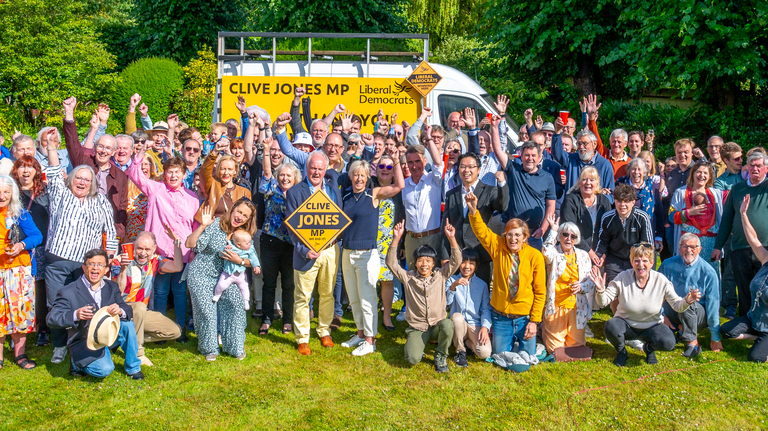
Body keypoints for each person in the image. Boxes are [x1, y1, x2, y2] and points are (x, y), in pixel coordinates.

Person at [43, 128, 118, 365]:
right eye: (78, 178)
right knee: (55, 304)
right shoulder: (60, 194)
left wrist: (109, 256)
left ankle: (83, 342)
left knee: (84, 304)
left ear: (93, 183)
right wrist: (52, 147)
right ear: (71, 179)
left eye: (87, 179)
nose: (82, 182)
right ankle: (58, 346)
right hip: (57, 260)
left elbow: (111, 232)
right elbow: (54, 172)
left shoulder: (100, 202)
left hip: (86, 265)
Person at [127, 149, 199, 342]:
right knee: (159, 291)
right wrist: (140, 154)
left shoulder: (192, 198)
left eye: (177, 172)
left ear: (184, 174)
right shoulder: (155, 189)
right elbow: (135, 175)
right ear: (164, 174)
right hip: (158, 253)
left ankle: (180, 329)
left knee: (180, 292)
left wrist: (193, 251)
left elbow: (195, 226)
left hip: (182, 253)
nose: (173, 175)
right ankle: (157, 330)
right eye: (169, 171)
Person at [590, 243, 701, 366]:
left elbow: (677, 305)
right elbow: (603, 301)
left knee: (669, 342)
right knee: (610, 326)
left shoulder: (661, 280)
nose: (641, 265)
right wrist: (600, 289)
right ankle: (621, 352)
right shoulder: (622, 277)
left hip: (652, 326)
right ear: (632, 262)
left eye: (645, 261)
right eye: (636, 261)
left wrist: (687, 301)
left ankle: (648, 349)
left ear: (652, 263)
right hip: (626, 324)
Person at [466, 192, 546, 356]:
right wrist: (474, 210)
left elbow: (540, 291)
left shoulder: (535, 256)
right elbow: (482, 231)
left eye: (517, 235)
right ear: (505, 235)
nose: (513, 238)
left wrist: (534, 321)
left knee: (527, 356)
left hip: (524, 317)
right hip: (501, 317)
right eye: (509, 234)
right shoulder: (498, 247)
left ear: (525, 237)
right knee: (500, 355)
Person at [339, 158, 403, 356]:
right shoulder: (347, 195)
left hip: (368, 253)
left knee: (367, 298)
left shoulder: (373, 194)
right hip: (348, 251)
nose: (359, 178)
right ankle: (360, 333)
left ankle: (370, 339)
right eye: (355, 174)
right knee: (354, 297)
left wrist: (397, 161)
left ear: (368, 177)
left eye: (362, 175)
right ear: (350, 177)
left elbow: (399, 185)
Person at [47, 249, 143, 379]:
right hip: (84, 340)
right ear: (84, 268)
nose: (95, 268)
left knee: (127, 325)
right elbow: (52, 318)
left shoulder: (112, 287)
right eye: (91, 264)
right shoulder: (68, 291)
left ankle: (133, 368)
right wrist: (75, 314)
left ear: (106, 269)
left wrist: (120, 310)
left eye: (100, 265)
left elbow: (127, 310)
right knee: (104, 370)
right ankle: (76, 363)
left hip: (107, 334)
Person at [285, 151, 342, 356]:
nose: (316, 172)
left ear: (325, 169)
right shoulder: (294, 192)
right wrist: (303, 250)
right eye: (313, 168)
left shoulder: (333, 188)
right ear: (306, 168)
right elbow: (292, 228)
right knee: (302, 296)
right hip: (306, 252)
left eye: (320, 168)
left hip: (330, 250)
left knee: (327, 293)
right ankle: (302, 338)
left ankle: (324, 330)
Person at [185, 199, 257, 361]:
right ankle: (209, 348)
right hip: (202, 274)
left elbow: (253, 260)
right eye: (239, 212)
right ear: (232, 210)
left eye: (245, 216)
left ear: (248, 220)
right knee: (207, 312)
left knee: (236, 304)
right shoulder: (216, 224)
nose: (240, 217)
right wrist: (203, 225)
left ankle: (235, 347)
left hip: (226, 276)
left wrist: (240, 261)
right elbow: (190, 244)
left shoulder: (244, 235)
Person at [387, 220, 462, 372]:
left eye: (428, 260)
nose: (424, 264)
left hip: (437, 325)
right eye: (420, 260)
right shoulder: (408, 278)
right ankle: (418, 344)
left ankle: (440, 355)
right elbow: (391, 263)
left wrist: (452, 238)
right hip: (417, 327)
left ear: (433, 263)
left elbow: (456, 261)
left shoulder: (441, 275)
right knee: (412, 359)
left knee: (448, 325)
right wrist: (396, 238)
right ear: (415, 263)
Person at [62, 97, 128, 241]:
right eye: (101, 146)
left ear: (113, 152)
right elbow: (72, 143)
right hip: (79, 226)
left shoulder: (120, 176)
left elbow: (121, 207)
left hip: (106, 231)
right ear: (95, 147)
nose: (103, 151)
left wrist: (118, 234)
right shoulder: (84, 163)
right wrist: (69, 113)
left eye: (108, 148)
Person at [713, 151, 768, 318]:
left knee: (763, 288)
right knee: (744, 287)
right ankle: (746, 322)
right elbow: (727, 220)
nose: (755, 168)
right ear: (747, 167)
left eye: (759, 165)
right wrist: (718, 246)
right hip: (739, 247)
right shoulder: (737, 190)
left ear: (766, 168)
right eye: (752, 165)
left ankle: (764, 324)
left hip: (764, 248)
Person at [115, 231, 183, 366]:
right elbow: (117, 291)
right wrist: (122, 269)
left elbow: (177, 267)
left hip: (141, 313)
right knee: (139, 306)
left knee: (175, 331)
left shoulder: (155, 261)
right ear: (134, 246)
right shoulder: (121, 260)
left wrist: (177, 243)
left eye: (147, 249)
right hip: (119, 310)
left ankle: (122, 339)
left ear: (153, 249)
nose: (143, 253)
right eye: (140, 248)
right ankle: (138, 353)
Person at [442, 151, 508, 284]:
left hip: (481, 255)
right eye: (462, 166)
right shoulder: (451, 194)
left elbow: (502, 206)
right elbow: (445, 224)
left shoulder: (489, 191)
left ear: (478, 170)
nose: (466, 170)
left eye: (471, 167)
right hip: (457, 256)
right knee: (456, 295)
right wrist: (444, 255)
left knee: (480, 297)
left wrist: (502, 184)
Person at [491, 117, 556, 251]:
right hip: (512, 233)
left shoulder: (547, 177)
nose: (530, 158)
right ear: (521, 156)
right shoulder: (513, 169)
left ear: (539, 157)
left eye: (533, 155)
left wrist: (543, 229)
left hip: (534, 234)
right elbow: (498, 151)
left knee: (532, 270)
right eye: (526, 155)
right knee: (511, 269)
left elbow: (551, 206)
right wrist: (494, 127)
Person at [0, 175, 43, 370]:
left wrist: (22, 244)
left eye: (6, 192)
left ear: (12, 194)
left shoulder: (20, 214)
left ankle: (20, 354)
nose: (2, 196)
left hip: (19, 270)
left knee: (21, 312)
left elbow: (37, 236)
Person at [258, 140, 301, 335]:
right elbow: (267, 173)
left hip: (291, 244)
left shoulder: (300, 194)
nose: (285, 178)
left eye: (288, 175)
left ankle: (288, 320)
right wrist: (266, 151)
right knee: (269, 281)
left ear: (295, 178)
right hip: (270, 241)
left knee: (289, 284)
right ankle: (267, 318)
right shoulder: (271, 189)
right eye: (282, 175)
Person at [721, 195, 768, 362]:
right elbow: (753, 239)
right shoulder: (765, 259)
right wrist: (743, 214)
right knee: (727, 331)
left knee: (756, 357)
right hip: (755, 320)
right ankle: (758, 336)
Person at [658, 233, 721, 358]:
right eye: (684, 246)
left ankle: (692, 342)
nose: (688, 250)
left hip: (698, 314)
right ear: (679, 247)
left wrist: (715, 337)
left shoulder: (708, 272)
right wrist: (661, 314)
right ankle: (678, 328)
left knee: (688, 302)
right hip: (672, 310)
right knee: (662, 341)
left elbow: (713, 304)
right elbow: (656, 292)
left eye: (693, 247)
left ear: (699, 249)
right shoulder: (667, 264)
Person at [10, 157, 50, 347]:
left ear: (37, 171)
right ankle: (15, 329)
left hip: (40, 247)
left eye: (30, 168)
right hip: (16, 249)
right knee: (17, 290)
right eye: (21, 167)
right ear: (15, 171)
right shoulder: (9, 192)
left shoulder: (45, 192)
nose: (26, 171)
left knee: (40, 289)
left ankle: (42, 328)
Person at [540, 214, 594, 353]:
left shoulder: (583, 255)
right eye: (565, 234)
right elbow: (545, 252)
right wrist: (553, 230)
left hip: (577, 308)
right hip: (556, 306)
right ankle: (544, 328)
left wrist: (582, 286)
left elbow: (590, 281)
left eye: (573, 236)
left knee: (576, 347)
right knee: (555, 350)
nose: (568, 239)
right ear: (560, 236)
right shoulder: (554, 253)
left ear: (577, 239)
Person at [668, 160, 724, 276]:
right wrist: (689, 213)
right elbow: (671, 216)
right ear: (692, 173)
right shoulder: (680, 192)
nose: (701, 175)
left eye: (705, 173)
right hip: (688, 245)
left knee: (710, 276)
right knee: (687, 275)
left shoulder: (715, 194)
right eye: (698, 172)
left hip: (710, 246)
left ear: (709, 177)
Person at [371, 153, 405, 331]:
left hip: (390, 243)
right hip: (369, 240)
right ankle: (368, 316)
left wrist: (402, 245)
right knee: (369, 281)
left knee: (387, 281)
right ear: (375, 170)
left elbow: (404, 218)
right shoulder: (370, 187)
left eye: (389, 167)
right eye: (382, 166)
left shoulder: (398, 193)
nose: (385, 169)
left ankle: (386, 317)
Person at [402, 131, 444, 271]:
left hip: (431, 237)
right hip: (411, 239)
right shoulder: (404, 185)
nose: (414, 166)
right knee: (412, 279)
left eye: (418, 161)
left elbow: (438, 163)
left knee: (433, 278)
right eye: (410, 162)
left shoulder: (433, 180)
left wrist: (429, 138)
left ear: (425, 162)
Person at [595, 183, 654, 282]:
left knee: (633, 293)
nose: (622, 205)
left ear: (633, 202)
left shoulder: (642, 218)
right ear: (614, 201)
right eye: (619, 201)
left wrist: (641, 264)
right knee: (613, 291)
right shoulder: (607, 218)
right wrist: (599, 257)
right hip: (614, 260)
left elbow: (647, 245)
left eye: (626, 201)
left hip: (635, 261)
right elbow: (603, 242)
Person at [445, 248, 492, 367]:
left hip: (474, 324)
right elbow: (445, 305)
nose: (467, 266)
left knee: (484, 353)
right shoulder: (451, 280)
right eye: (464, 262)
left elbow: (486, 309)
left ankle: (467, 343)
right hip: (457, 323)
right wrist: (453, 287)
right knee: (457, 317)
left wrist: (485, 327)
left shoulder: (482, 285)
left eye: (471, 263)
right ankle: (460, 351)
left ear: (476, 266)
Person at [713, 141, 743, 319]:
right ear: (726, 160)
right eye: (736, 158)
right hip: (732, 231)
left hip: (751, 231)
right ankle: (730, 304)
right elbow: (722, 207)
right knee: (730, 271)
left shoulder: (747, 175)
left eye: (741, 157)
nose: (740, 161)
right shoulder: (720, 183)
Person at [560, 167, 612, 264]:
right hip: (575, 251)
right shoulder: (571, 200)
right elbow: (570, 229)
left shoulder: (604, 201)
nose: (588, 183)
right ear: (579, 182)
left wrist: (602, 254)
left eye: (592, 180)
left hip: (600, 254)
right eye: (584, 179)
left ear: (597, 182)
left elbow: (608, 230)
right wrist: (590, 252)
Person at [551, 126, 615, 194]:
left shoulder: (605, 165)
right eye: (579, 144)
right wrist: (557, 133)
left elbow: (610, 194)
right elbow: (557, 153)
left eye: (585, 144)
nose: (581, 147)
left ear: (594, 144)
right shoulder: (571, 159)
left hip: (595, 204)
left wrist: (599, 198)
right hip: (572, 203)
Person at [617, 157, 665, 249]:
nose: (636, 172)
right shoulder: (621, 185)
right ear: (629, 171)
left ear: (645, 172)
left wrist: (659, 236)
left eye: (639, 169)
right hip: (625, 237)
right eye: (633, 169)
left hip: (648, 235)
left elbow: (659, 213)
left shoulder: (653, 187)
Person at [196, 146, 252, 222]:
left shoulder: (244, 192)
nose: (226, 173)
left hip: (234, 231)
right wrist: (214, 152)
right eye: (223, 169)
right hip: (212, 229)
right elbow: (204, 173)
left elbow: (247, 217)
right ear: (218, 170)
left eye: (230, 169)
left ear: (235, 171)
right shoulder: (212, 186)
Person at [662, 139, 695, 259]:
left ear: (692, 153)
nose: (682, 155)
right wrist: (666, 221)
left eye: (686, 152)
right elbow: (666, 199)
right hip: (672, 221)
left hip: (692, 222)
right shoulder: (671, 174)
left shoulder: (697, 171)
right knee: (674, 255)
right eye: (679, 152)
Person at [212, 229, 260, 310]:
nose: (250, 244)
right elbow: (220, 253)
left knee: (245, 288)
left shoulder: (249, 250)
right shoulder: (231, 247)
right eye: (247, 243)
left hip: (241, 275)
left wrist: (256, 266)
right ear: (238, 244)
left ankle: (246, 301)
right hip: (228, 274)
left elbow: (254, 258)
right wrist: (224, 249)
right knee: (221, 285)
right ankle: (217, 294)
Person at [125, 152, 158, 243]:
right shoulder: (127, 188)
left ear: (152, 167)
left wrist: (169, 153)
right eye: (140, 164)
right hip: (129, 239)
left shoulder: (158, 186)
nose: (143, 167)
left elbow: (171, 172)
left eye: (146, 164)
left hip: (150, 241)